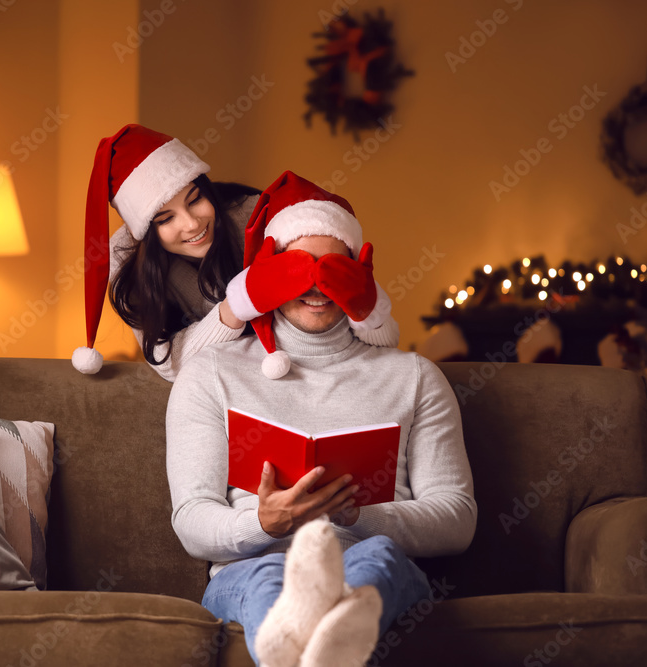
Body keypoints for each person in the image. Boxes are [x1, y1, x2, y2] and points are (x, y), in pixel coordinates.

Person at [166, 171, 477, 666]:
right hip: (251, 569)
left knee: (375, 560)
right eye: (297, 268)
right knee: (269, 579)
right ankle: (322, 647)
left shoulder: (414, 377)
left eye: (333, 268)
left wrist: (361, 517)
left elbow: (457, 519)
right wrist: (262, 524)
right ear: (266, 275)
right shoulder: (211, 374)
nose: (316, 285)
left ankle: (308, 648)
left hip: (373, 560)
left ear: (360, 274)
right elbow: (192, 521)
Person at [71, 124, 400, 381]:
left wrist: (362, 301)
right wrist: (237, 306)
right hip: (234, 385)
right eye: (165, 218)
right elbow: (171, 364)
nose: (192, 224)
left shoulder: (256, 218)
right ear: (143, 231)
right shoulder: (130, 264)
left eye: (195, 199)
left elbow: (368, 328)